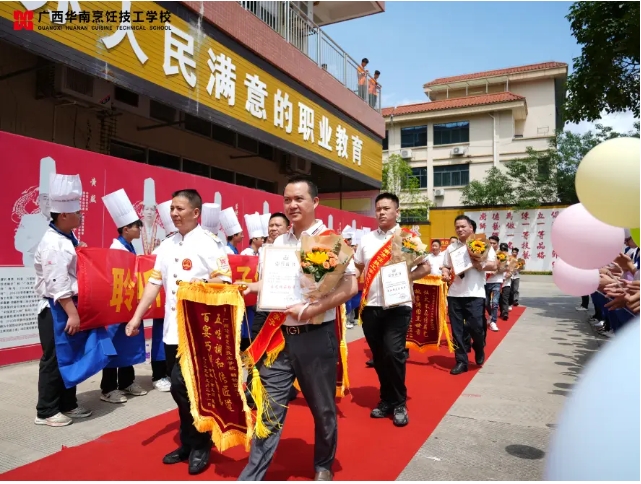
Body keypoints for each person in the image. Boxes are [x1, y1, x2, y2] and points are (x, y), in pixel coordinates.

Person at [238, 176, 358, 481]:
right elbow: (272, 283)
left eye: (299, 199)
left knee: (323, 408)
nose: (292, 205)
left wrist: (311, 310)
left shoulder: (330, 240)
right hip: (279, 338)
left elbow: (351, 286)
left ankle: (323, 464)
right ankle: (252, 475)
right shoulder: (278, 243)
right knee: (269, 409)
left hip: (315, 337)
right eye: (287, 199)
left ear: (315, 202)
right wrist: (251, 287)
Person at [125, 189, 232, 475]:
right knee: (179, 389)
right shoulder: (167, 245)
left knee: (185, 387)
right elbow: (154, 284)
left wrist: (201, 288)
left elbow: (224, 281)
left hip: (198, 331)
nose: (173, 213)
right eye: (172, 208)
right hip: (173, 332)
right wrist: (137, 317)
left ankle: (200, 443)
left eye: (180, 208)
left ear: (195, 213)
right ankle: (189, 442)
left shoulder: (210, 243)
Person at [355, 193, 430, 427]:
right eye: (378, 208)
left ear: (397, 212)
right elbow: (357, 268)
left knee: (393, 352)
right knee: (379, 356)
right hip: (371, 305)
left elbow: (426, 267)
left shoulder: (409, 238)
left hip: (398, 305)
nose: (381, 212)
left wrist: (406, 276)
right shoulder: (366, 240)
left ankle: (399, 403)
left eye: (386, 208)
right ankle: (386, 398)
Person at [33, 173, 96, 427]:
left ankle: (68, 403)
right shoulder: (54, 243)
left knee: (70, 356)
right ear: (63, 215)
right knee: (54, 359)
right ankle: (46, 410)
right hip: (56, 308)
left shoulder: (67, 239)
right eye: (77, 212)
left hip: (68, 306)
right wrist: (72, 313)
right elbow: (57, 283)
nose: (81, 216)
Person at [99, 189, 148, 403]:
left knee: (128, 343)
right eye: (137, 226)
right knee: (114, 345)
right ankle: (108, 388)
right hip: (116, 306)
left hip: (129, 304)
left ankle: (127, 382)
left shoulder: (129, 247)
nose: (139, 229)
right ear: (126, 229)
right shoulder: (116, 248)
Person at [441, 215, 497, 375]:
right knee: (457, 331)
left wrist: (477, 263)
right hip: (455, 294)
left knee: (476, 327)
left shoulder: (481, 244)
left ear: (471, 228)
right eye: (457, 227)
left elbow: (494, 265)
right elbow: (445, 266)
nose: (460, 229)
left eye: (463, 226)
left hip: (475, 293)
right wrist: (445, 273)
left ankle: (479, 346)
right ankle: (461, 361)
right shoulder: (451, 248)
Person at [485, 236, 503, 332]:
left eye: (494, 243)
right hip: (486, 281)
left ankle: (493, 322)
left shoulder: (501, 255)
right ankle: (491, 315)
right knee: (486, 302)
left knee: (495, 302)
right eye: (490, 243)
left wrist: (497, 270)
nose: (492, 245)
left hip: (497, 281)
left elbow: (506, 268)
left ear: (497, 244)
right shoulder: (484, 253)